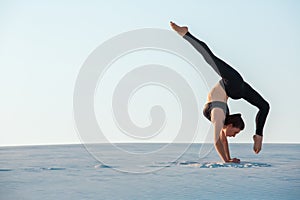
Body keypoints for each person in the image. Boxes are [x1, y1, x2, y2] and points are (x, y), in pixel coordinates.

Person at [170, 21, 270, 163]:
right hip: (233, 84)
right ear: (229, 125)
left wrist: (228, 159)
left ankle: (258, 136)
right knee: (211, 59)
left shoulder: (220, 117)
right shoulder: (219, 114)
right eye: (235, 132)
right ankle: (186, 33)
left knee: (265, 106)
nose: (234, 136)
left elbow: (222, 140)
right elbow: (217, 141)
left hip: (233, 87)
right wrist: (226, 160)